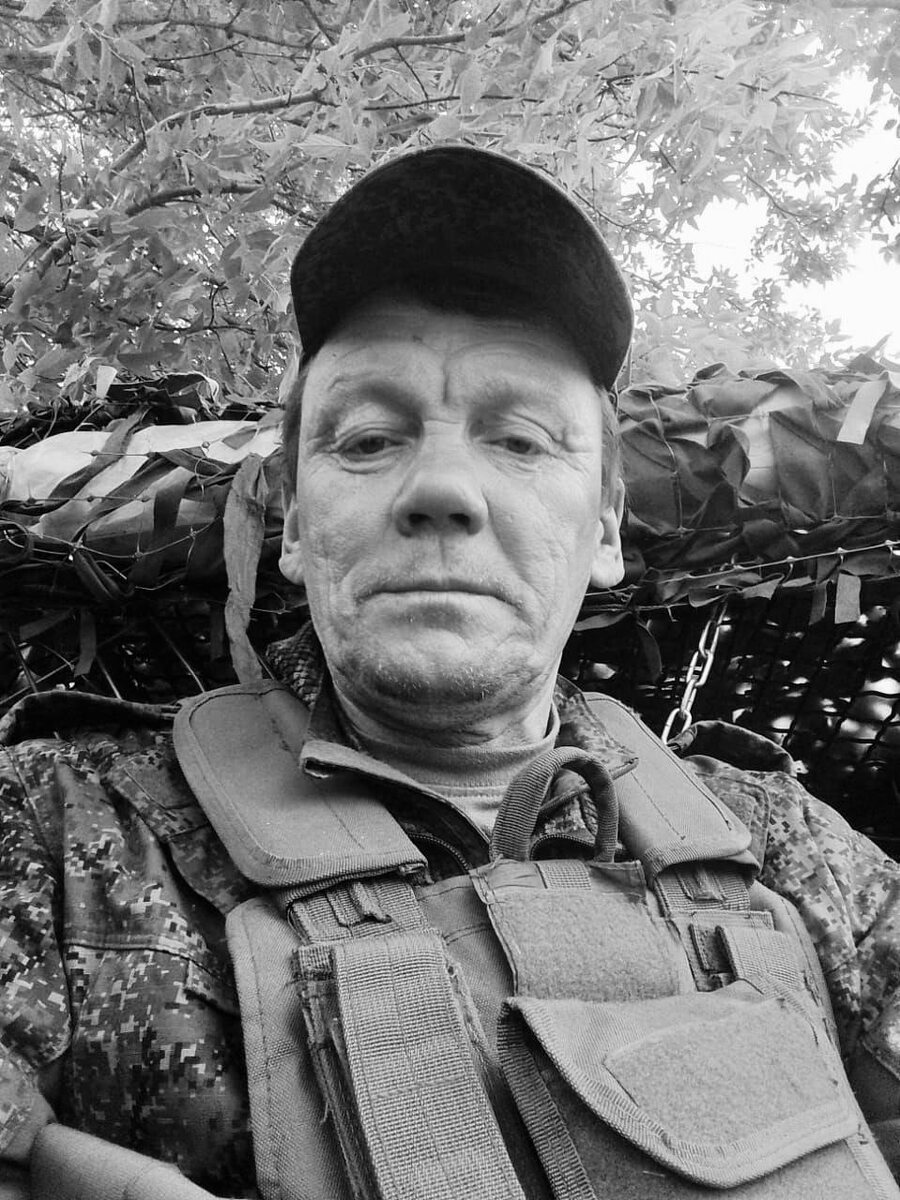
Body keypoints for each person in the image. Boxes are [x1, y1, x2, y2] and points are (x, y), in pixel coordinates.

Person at [2, 145, 900, 1200]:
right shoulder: (61, 824)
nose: (442, 489)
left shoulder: (783, 847)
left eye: (519, 442)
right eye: (368, 439)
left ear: (605, 527)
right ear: (294, 524)